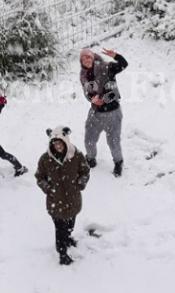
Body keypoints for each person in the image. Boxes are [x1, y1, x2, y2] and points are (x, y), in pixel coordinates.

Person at [35, 126, 90, 265]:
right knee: (60, 229)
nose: (58, 146)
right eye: (55, 144)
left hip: (73, 199)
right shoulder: (45, 159)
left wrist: (80, 183)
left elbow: (85, 171)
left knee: (70, 224)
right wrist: (48, 188)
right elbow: (39, 177)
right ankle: (62, 254)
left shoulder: (76, 155)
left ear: (66, 142)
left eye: (60, 143)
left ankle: (68, 236)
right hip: (56, 202)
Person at [79, 48, 128, 177]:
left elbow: (123, 65)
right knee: (89, 139)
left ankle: (118, 163)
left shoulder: (106, 67)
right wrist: (92, 99)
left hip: (112, 111)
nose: (86, 61)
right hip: (95, 112)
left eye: (88, 58)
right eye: (83, 59)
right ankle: (90, 159)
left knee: (113, 141)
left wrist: (116, 56)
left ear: (93, 58)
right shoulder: (83, 75)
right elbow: (87, 92)